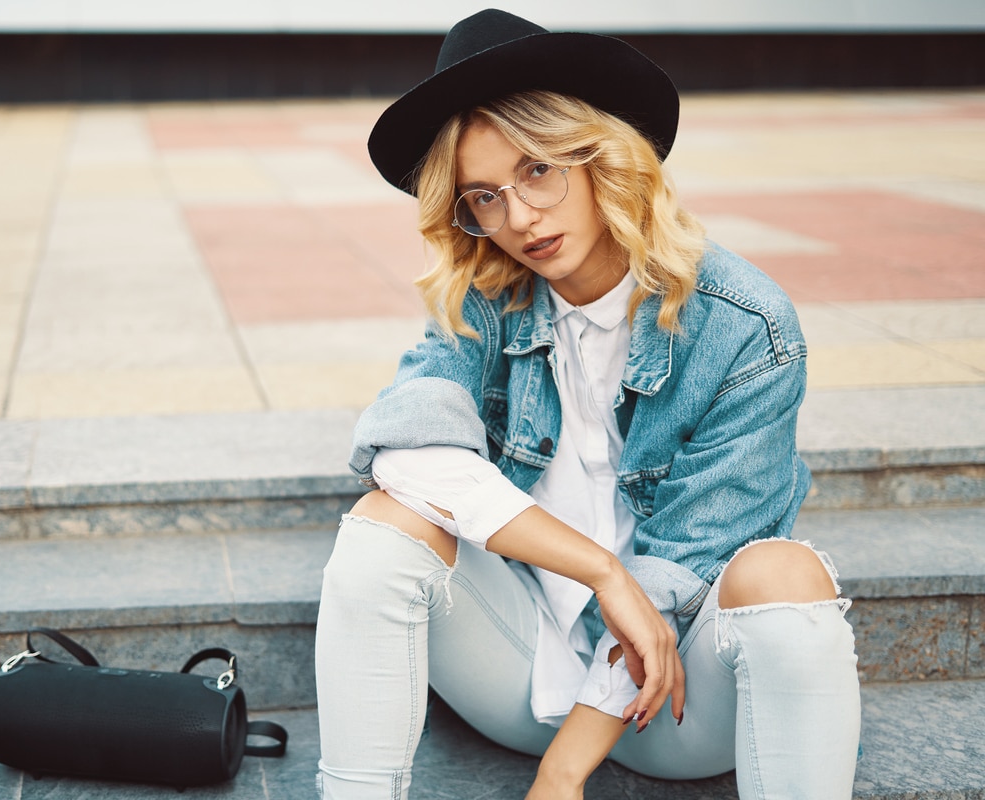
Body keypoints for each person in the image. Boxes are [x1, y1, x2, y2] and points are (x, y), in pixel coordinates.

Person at [314, 9, 861, 799]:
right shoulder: (485, 301)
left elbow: (689, 565)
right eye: (484, 196)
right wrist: (600, 570)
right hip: (518, 672)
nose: (519, 217)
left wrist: (564, 772)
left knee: (786, 574)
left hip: (675, 702)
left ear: (600, 153)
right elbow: (410, 450)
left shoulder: (744, 325)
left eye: (538, 170)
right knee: (386, 522)